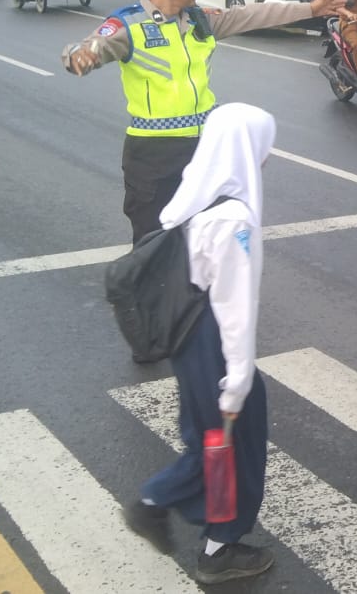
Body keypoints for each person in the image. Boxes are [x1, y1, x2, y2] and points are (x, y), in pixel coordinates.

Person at [62, 0, 341, 247]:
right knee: (153, 245)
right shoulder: (129, 25)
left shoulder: (199, 21)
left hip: (202, 152)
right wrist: (79, 56)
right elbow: (88, 49)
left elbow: (254, 14)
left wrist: (311, 8)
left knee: (206, 243)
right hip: (153, 156)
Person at [121, 103, 277, 584]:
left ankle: (217, 540)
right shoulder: (234, 220)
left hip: (188, 340)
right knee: (230, 443)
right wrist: (238, 382)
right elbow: (235, 311)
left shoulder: (194, 195)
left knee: (210, 440)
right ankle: (160, 506)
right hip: (214, 341)